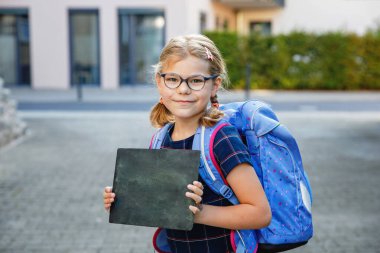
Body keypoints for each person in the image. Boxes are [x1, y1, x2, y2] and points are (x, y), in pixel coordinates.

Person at [103, 34, 271, 253]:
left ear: (214, 86)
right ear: (159, 82)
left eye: (196, 80)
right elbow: (163, 207)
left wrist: (198, 213)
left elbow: (260, 213)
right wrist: (126, 200)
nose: (183, 89)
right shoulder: (161, 138)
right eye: (172, 79)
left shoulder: (222, 139)